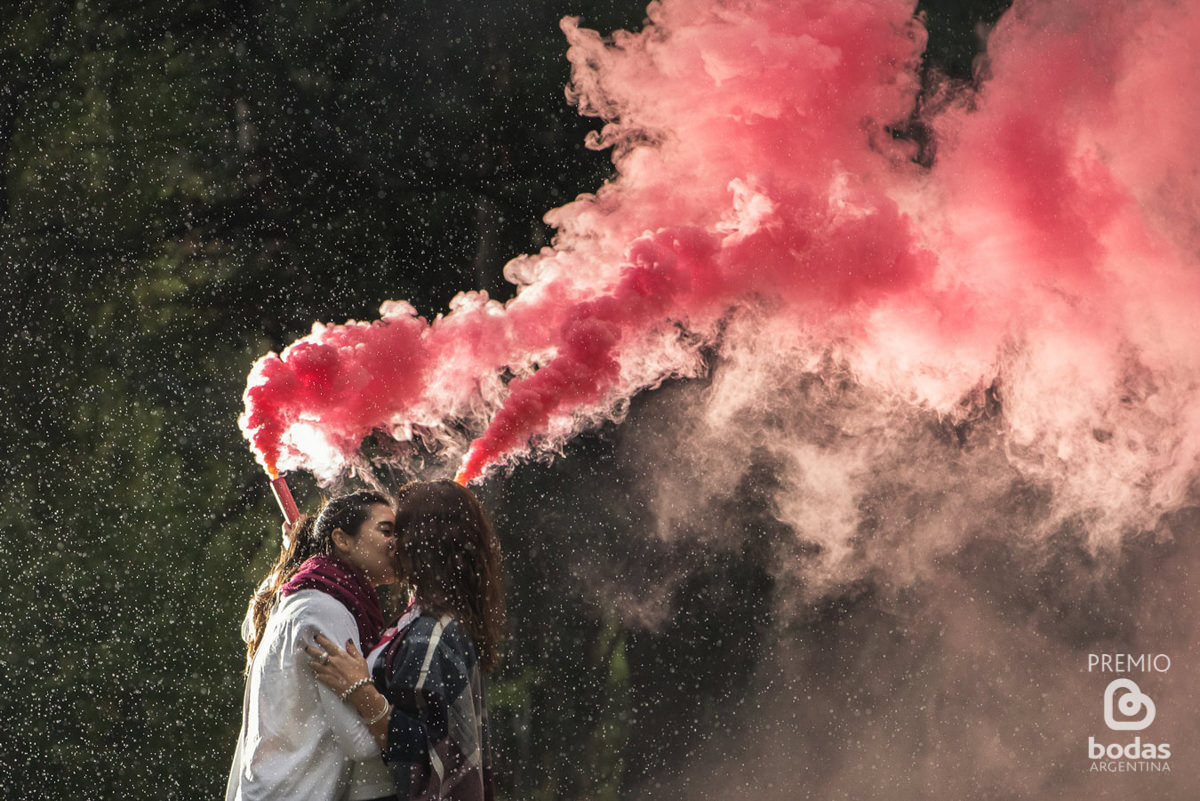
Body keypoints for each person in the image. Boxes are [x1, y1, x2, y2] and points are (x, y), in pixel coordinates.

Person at [306, 480, 505, 801]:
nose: (390, 543)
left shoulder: (430, 636)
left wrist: (364, 695)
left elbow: (427, 755)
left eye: (397, 531)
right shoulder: (424, 621)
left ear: (420, 543)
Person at [227, 490, 399, 801]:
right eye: (386, 530)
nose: (397, 543)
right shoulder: (324, 609)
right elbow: (359, 742)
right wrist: (416, 737)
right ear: (342, 540)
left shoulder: (304, 596)